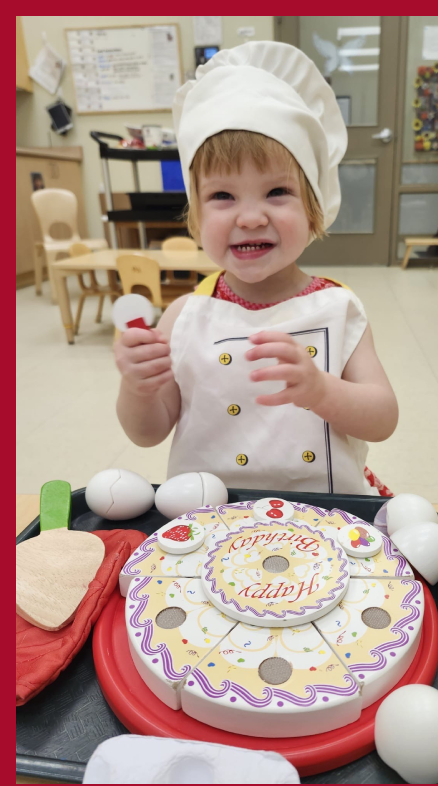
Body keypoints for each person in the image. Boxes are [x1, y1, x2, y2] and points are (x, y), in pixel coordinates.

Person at [112, 42, 398, 496]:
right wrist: (138, 386)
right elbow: (148, 432)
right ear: (197, 215)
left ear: (314, 207)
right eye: (223, 196)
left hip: (322, 517)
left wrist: (321, 391)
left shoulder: (338, 307)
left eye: (277, 191)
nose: (249, 217)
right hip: (209, 523)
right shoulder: (185, 315)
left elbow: (383, 418)